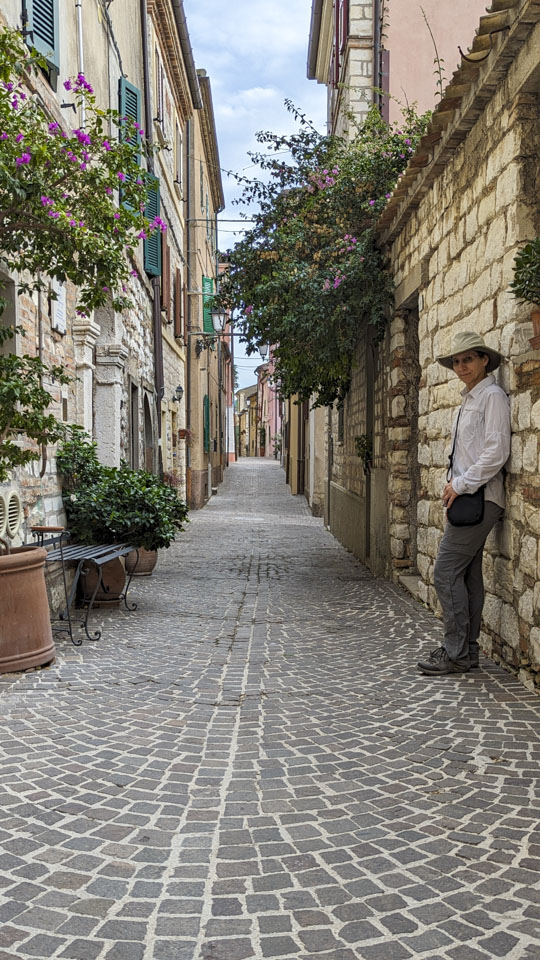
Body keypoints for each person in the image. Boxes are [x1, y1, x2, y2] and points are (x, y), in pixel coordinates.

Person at [417, 331, 511, 676]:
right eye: (456, 361)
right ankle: (466, 651)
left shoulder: (492, 397)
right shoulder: (469, 398)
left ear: (484, 360)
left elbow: (496, 452)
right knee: (468, 576)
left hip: (480, 499)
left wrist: (460, 483)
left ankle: (455, 651)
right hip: (467, 498)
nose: (461, 367)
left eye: (468, 359)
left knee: (444, 572)